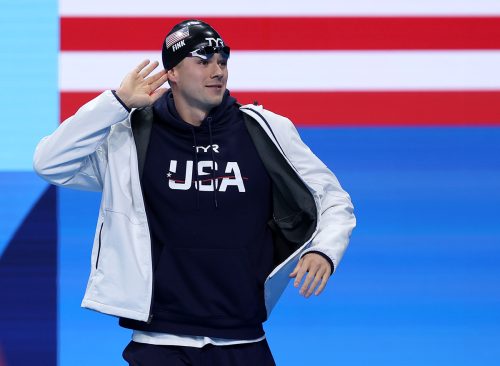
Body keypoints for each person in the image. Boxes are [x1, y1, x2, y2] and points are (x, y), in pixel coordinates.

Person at [33, 19, 355, 366]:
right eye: (203, 61)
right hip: (159, 343)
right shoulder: (132, 138)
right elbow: (50, 163)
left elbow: (333, 199)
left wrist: (324, 250)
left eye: (222, 61)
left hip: (245, 339)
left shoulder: (264, 129)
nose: (218, 71)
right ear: (172, 72)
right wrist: (117, 103)